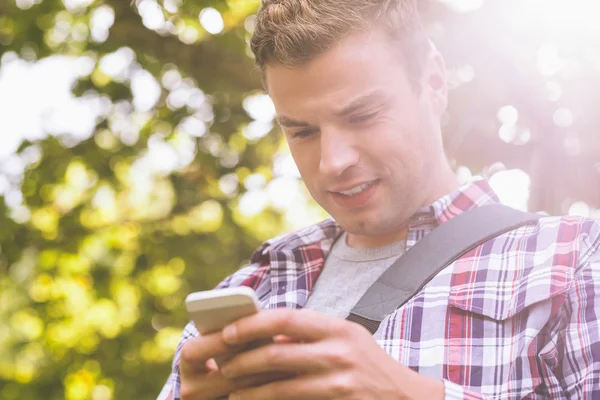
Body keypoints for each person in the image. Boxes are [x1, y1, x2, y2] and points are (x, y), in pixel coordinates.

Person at [158, 0, 600, 398]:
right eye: (302, 131)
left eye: (362, 115)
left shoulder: (574, 261)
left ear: (433, 82)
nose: (333, 162)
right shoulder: (249, 290)